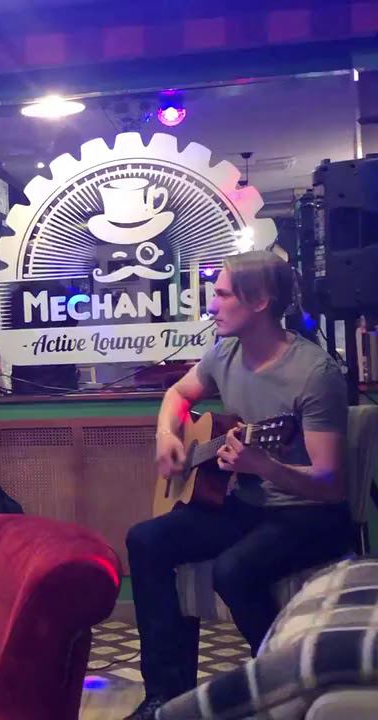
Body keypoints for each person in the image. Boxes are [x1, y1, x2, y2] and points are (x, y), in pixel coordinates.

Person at [123, 251, 353, 719]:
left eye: (223, 295)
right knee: (145, 540)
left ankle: (282, 690)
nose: (211, 305)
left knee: (233, 571)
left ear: (260, 300)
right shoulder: (223, 353)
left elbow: (330, 485)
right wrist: (167, 435)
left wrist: (263, 466)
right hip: (248, 505)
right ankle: (167, 698)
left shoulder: (314, 374)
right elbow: (177, 394)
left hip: (308, 514)